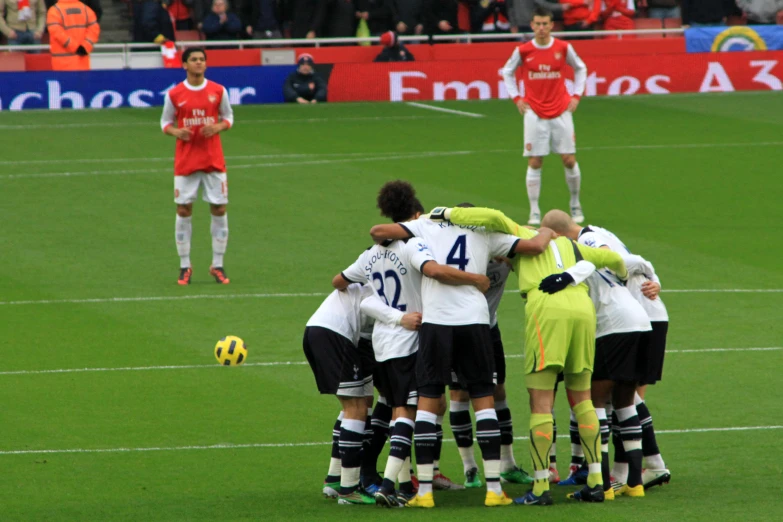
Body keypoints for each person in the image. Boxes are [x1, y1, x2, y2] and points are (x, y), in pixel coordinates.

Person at [427, 205, 632, 506]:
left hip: (546, 310)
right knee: (583, 399)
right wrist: (626, 277)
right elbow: (615, 259)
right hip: (583, 311)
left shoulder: (524, 236)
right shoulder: (575, 247)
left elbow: (494, 218)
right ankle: (596, 482)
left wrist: (446, 213)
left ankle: (540, 487)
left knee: (541, 401)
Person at [369, 202, 555, 509]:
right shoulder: (486, 232)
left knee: (429, 400)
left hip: (437, 323)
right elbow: (535, 245)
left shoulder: (425, 227)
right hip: (476, 322)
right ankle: (494, 490)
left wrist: (426, 219)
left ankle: (425, 493)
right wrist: (548, 230)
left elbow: (379, 232)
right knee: (484, 399)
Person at [335, 181, 493, 506]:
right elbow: (433, 270)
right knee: (414, 410)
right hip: (410, 339)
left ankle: (404, 481)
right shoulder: (413, 247)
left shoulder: (370, 255)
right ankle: (391, 485)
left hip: (382, 343)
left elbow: (343, 284)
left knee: (400, 410)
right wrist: (475, 278)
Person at [542, 210, 671, 490]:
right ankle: (624, 474)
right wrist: (654, 277)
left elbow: (615, 261)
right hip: (645, 314)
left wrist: (565, 276)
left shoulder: (588, 241)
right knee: (625, 398)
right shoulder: (599, 230)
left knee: (615, 398)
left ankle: (638, 469)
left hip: (631, 316)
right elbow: (639, 260)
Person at [304, 281, 422, 505]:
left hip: (323, 331)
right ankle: (349, 490)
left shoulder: (377, 275)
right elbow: (366, 303)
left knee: (362, 401)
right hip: (336, 334)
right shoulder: (386, 285)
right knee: (355, 408)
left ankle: (334, 480)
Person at [501, 6, 587, 227]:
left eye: (545, 24)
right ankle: (534, 211)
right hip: (534, 113)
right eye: (537, 24)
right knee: (535, 161)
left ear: (551, 25)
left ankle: (575, 204)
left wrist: (576, 95)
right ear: (532, 25)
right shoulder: (523, 50)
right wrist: (517, 98)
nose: (541, 28)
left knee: (568, 159)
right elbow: (507, 72)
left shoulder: (563, 47)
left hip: (561, 110)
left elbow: (581, 68)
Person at [160, 48, 234, 286]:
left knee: (220, 209)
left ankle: (218, 264)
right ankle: (184, 266)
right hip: (186, 160)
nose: (199, 63)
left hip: (213, 159)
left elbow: (229, 118)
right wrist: (175, 131)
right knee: (183, 210)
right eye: (194, 60)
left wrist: (218, 127)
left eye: (202, 60)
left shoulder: (218, 90)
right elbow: (165, 122)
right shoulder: (174, 94)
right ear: (185, 65)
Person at [46, 0, 99, 71]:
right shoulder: (86, 9)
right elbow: (94, 29)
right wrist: (85, 46)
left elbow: (56, 32)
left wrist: (74, 46)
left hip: (61, 65)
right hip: (82, 64)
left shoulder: (54, 11)